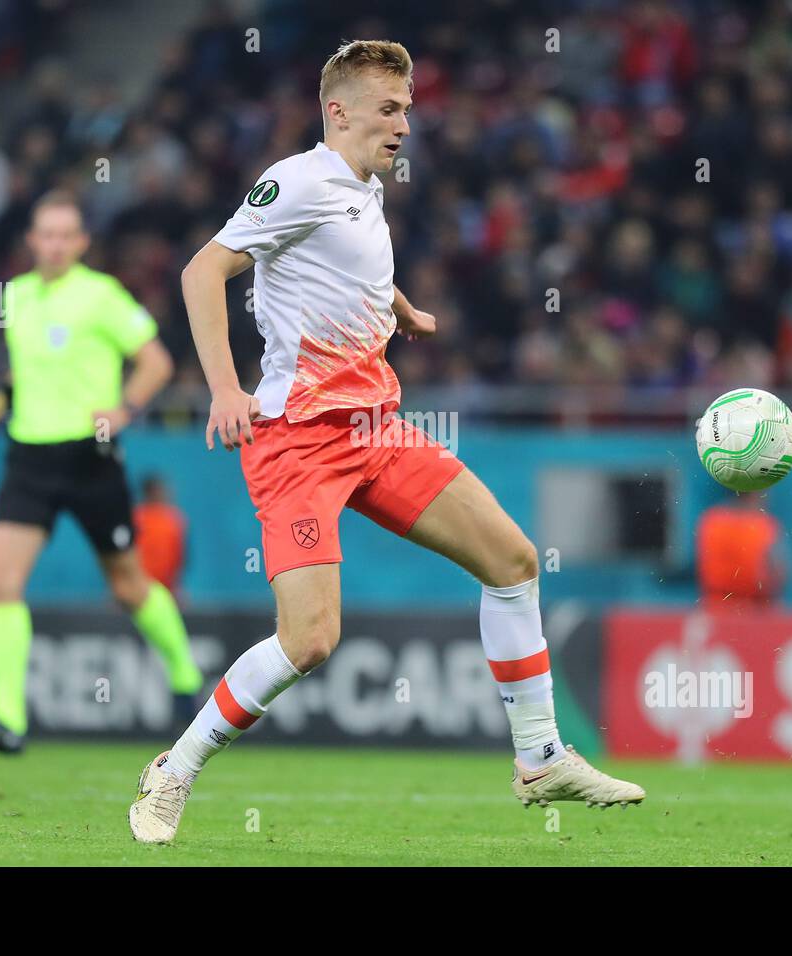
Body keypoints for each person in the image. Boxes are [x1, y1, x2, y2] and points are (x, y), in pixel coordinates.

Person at [129, 40, 644, 844]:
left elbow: (341, 263)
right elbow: (203, 272)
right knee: (311, 640)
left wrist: (397, 307)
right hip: (296, 440)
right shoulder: (296, 180)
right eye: (389, 109)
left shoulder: (362, 188)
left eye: (407, 109)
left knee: (512, 561)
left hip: (375, 428)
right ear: (338, 112)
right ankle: (173, 772)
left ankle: (540, 758)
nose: (405, 124)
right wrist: (226, 389)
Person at [0, 190, 203, 754]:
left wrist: (124, 409)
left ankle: (186, 679)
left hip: (91, 455)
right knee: (0, 582)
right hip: (29, 458)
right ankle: (6, 719)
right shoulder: (15, 297)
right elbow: (24, 372)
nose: (56, 245)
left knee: (129, 585)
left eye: (67, 235)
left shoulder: (102, 296)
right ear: (32, 240)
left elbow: (156, 362)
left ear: (82, 242)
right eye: (47, 234)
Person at [696, 489, 790, 605]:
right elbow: (779, 573)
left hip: (715, 607)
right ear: (755, 493)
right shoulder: (764, 525)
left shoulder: (711, 519)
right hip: (755, 611)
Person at [133, 474, 188, 598]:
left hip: (165, 589)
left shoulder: (175, 519)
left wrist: (177, 587)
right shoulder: (136, 518)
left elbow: (180, 558)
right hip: (140, 588)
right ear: (149, 492)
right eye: (159, 490)